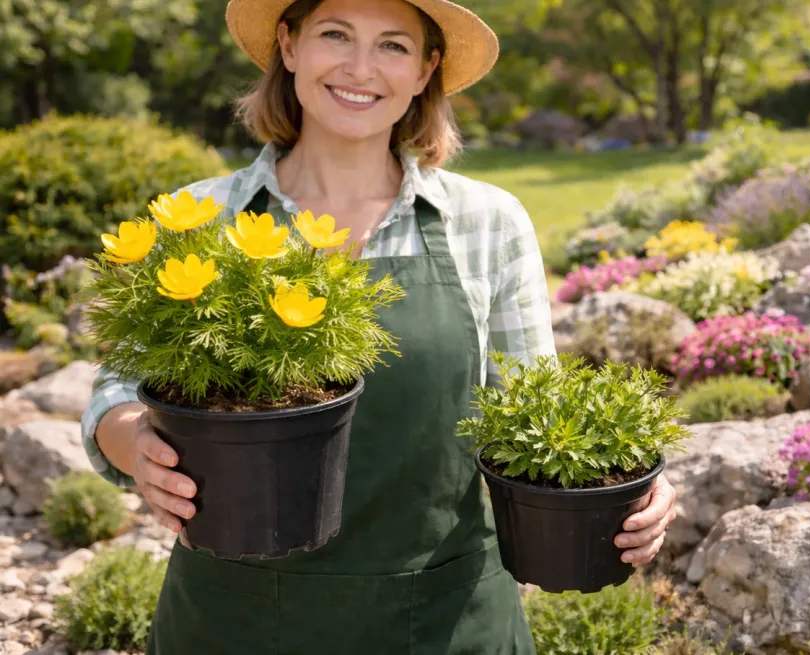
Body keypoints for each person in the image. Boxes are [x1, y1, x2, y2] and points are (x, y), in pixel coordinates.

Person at [80, 0, 678, 651]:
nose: (360, 67)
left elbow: (529, 410)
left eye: (393, 46)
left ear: (426, 70)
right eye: (335, 34)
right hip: (235, 618)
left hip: (444, 619)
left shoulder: (486, 222)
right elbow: (115, 394)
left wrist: (625, 478)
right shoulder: (203, 214)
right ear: (289, 46)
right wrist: (134, 444)